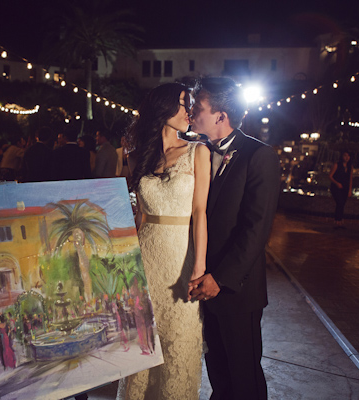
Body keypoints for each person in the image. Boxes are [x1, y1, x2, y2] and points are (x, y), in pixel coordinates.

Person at [188, 77, 280, 400]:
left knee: (245, 379)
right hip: (203, 285)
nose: (190, 112)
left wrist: (221, 278)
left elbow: (256, 230)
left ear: (220, 116)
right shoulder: (196, 153)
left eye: (197, 107)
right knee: (219, 375)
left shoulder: (259, 156)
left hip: (236, 290)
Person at [118, 82, 210, 399]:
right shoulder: (139, 156)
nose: (190, 112)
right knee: (143, 347)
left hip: (181, 260)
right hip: (144, 260)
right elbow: (138, 217)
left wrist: (199, 268)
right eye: (184, 104)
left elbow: (200, 212)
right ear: (163, 108)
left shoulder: (199, 152)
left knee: (178, 345)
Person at [329, 151, 353, 228]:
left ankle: (340, 220)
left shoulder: (350, 166)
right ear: (342, 156)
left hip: (345, 187)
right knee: (339, 202)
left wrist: (350, 190)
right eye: (345, 155)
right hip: (336, 187)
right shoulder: (337, 165)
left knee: (342, 203)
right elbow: (330, 176)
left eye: (348, 156)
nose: (346, 158)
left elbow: (350, 179)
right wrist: (337, 183)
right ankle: (337, 220)